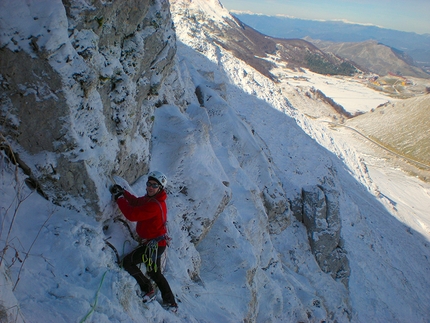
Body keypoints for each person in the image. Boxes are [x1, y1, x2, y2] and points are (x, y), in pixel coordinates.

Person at [110, 171, 177, 309]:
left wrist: (119, 199)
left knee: (127, 263)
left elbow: (132, 214)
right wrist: (124, 193)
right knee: (155, 272)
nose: (150, 187)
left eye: (154, 185)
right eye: (149, 184)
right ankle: (170, 301)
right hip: (156, 244)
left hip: (154, 245)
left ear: (160, 188)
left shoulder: (154, 205)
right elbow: (135, 202)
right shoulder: (151, 199)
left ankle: (148, 289)